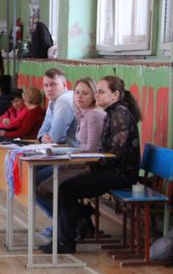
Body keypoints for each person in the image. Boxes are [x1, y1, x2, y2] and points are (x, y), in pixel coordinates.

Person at [42, 75, 141, 254]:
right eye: (97, 92)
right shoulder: (112, 112)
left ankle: (66, 241)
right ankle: (74, 226)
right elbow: (106, 153)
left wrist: (90, 166)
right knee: (63, 186)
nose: (97, 95)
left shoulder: (120, 115)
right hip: (110, 170)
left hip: (120, 174)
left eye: (101, 92)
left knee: (66, 189)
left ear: (115, 95)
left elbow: (115, 155)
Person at [36, 67, 78, 146]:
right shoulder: (53, 100)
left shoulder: (63, 101)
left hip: (75, 151)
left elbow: (55, 138)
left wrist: (44, 137)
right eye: (46, 85)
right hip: (64, 149)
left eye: (53, 84)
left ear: (64, 84)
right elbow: (42, 131)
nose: (49, 89)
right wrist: (42, 137)